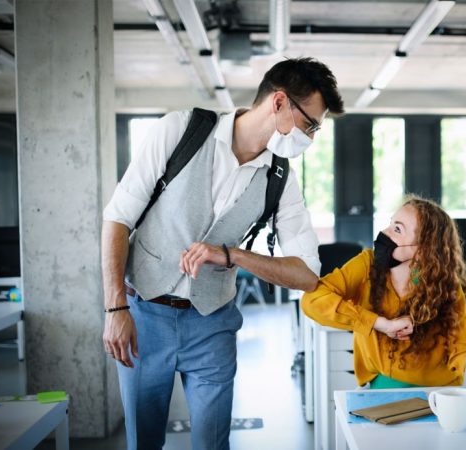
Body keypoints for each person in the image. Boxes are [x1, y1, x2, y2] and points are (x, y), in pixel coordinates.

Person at [101, 57, 344, 450]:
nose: (312, 137)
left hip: (211, 324)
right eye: (311, 124)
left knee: (213, 444)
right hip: (143, 315)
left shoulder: (281, 179)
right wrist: (115, 309)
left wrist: (234, 256)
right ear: (279, 102)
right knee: (143, 442)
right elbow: (117, 219)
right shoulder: (181, 130)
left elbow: (307, 275)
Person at [301, 196, 466, 389]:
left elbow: (463, 348)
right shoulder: (366, 264)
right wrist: (379, 324)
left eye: (397, 229)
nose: (384, 233)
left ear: (422, 250)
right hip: (385, 385)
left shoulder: (444, 282)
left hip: (440, 389)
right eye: (391, 224)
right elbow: (312, 299)